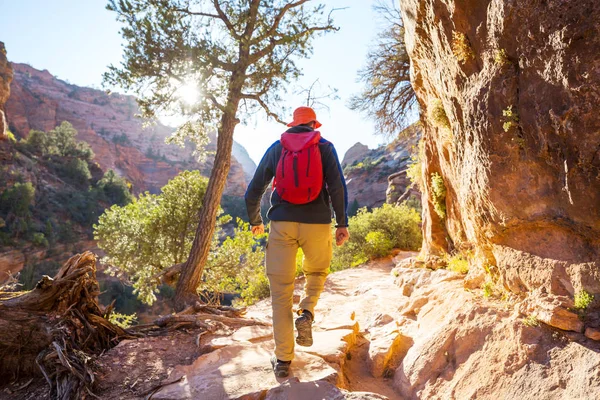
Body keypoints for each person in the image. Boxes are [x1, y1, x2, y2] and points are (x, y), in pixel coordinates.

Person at [245, 106, 350, 378]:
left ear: (293, 124)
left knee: (280, 293)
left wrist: (256, 220)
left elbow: (254, 188)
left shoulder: (277, 147)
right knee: (316, 272)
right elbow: (337, 186)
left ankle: (283, 360)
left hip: (282, 224)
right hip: (317, 224)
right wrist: (342, 223)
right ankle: (307, 310)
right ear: (314, 125)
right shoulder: (324, 146)